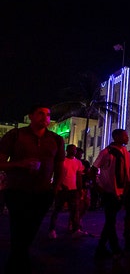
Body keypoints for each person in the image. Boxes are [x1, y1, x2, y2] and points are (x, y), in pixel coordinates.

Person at [0, 105, 65, 273]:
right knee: (18, 228)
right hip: (17, 190)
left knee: (32, 228)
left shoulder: (56, 140)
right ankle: (18, 264)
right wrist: (19, 164)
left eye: (48, 114)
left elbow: (59, 166)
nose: (45, 117)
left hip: (43, 192)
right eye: (40, 114)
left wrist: (55, 187)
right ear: (31, 116)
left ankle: (17, 262)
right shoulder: (15, 135)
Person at [93, 128, 130, 259]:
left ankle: (101, 248)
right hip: (109, 191)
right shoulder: (106, 152)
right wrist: (97, 185)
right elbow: (94, 168)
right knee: (111, 220)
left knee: (110, 221)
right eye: (125, 136)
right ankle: (115, 249)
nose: (127, 137)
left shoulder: (125, 152)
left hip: (121, 191)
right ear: (117, 137)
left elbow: (126, 172)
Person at [48, 144, 85, 239]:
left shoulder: (78, 162)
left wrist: (79, 189)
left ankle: (76, 229)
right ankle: (52, 230)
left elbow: (79, 176)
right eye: (72, 149)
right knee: (57, 210)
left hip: (73, 190)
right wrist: (60, 185)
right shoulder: (62, 161)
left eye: (75, 149)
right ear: (67, 150)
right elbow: (56, 174)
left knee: (74, 210)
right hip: (62, 189)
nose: (74, 151)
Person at [75, 148, 92, 231]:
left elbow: (88, 172)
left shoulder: (85, 162)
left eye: (81, 153)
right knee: (77, 206)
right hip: (77, 187)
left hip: (85, 186)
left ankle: (78, 219)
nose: (80, 154)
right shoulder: (74, 162)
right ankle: (75, 223)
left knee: (86, 204)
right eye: (78, 153)